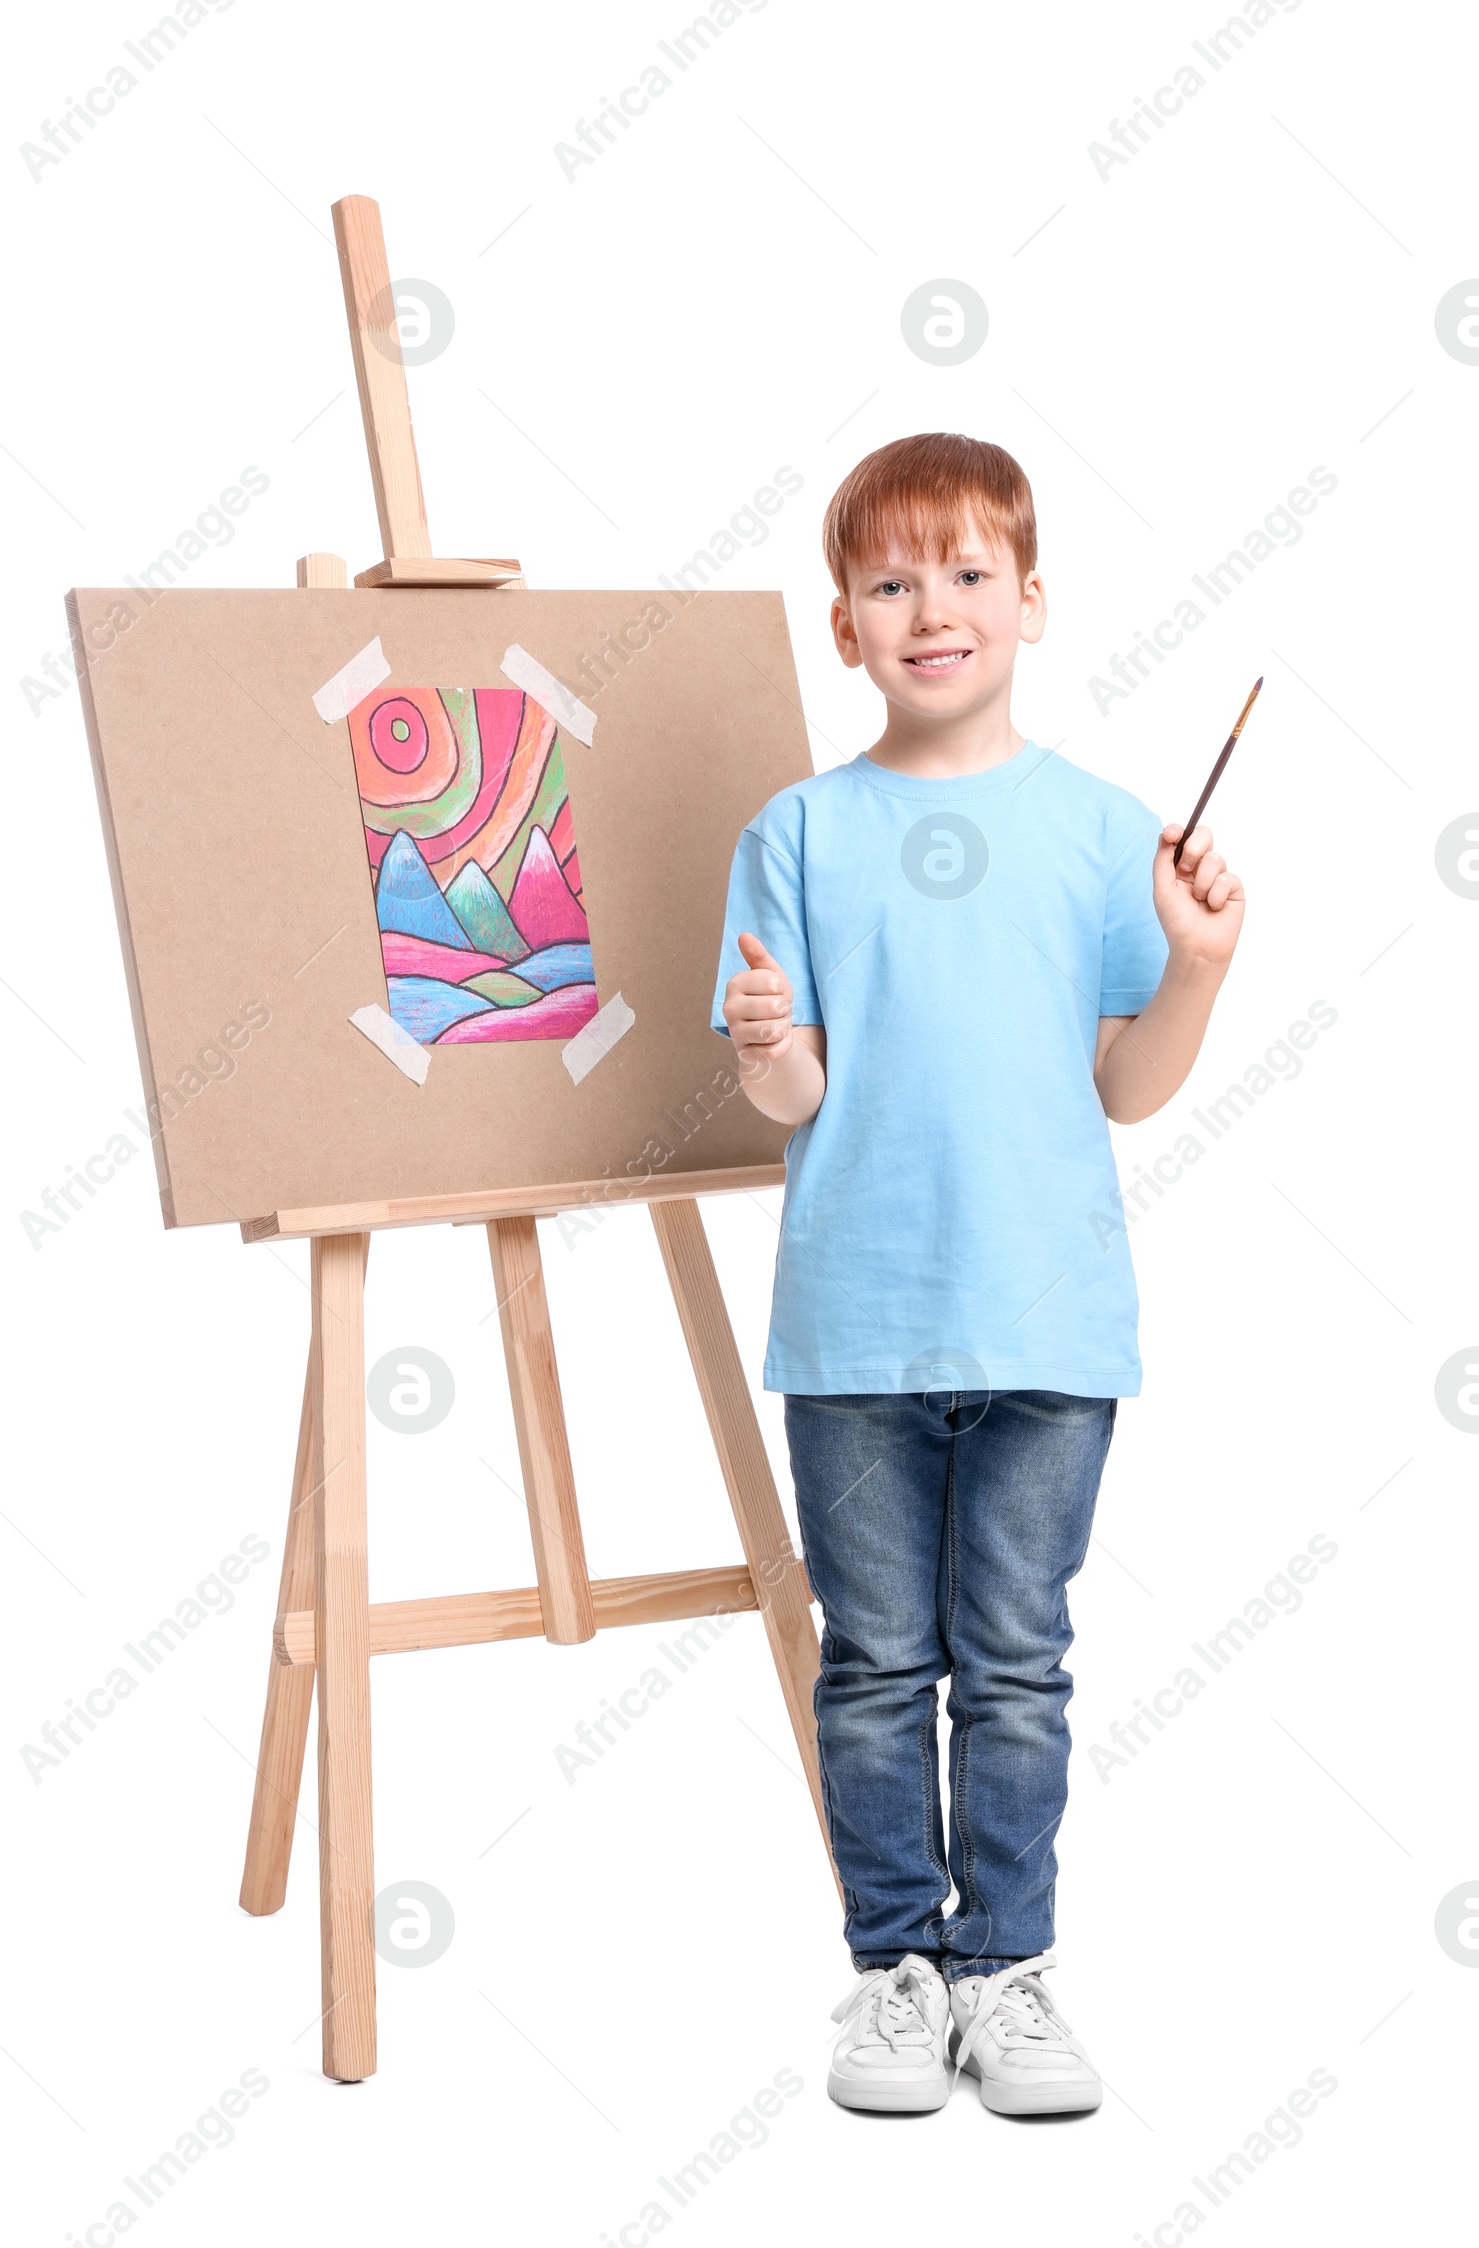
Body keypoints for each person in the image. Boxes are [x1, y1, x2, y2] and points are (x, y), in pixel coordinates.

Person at [711, 432, 1244, 2116]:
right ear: (842, 627)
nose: (928, 608)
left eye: (962, 574)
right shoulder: (796, 831)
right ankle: (897, 1975)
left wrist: (1202, 967)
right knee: (874, 1662)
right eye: (888, 583)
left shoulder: (1101, 833)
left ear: (1030, 600)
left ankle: (1007, 1971)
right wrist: (760, 1045)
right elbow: (791, 1098)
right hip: (856, 1323)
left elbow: (1126, 1086)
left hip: (1049, 1324)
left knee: (1015, 1656)